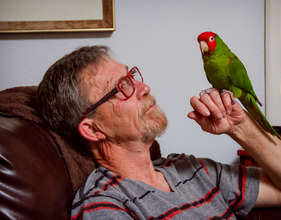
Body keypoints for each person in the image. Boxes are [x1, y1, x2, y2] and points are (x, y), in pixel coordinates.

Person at [37, 46, 281, 220]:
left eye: (131, 76)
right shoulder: (106, 205)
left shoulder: (192, 169)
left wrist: (241, 129)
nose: (144, 87)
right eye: (121, 87)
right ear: (92, 129)